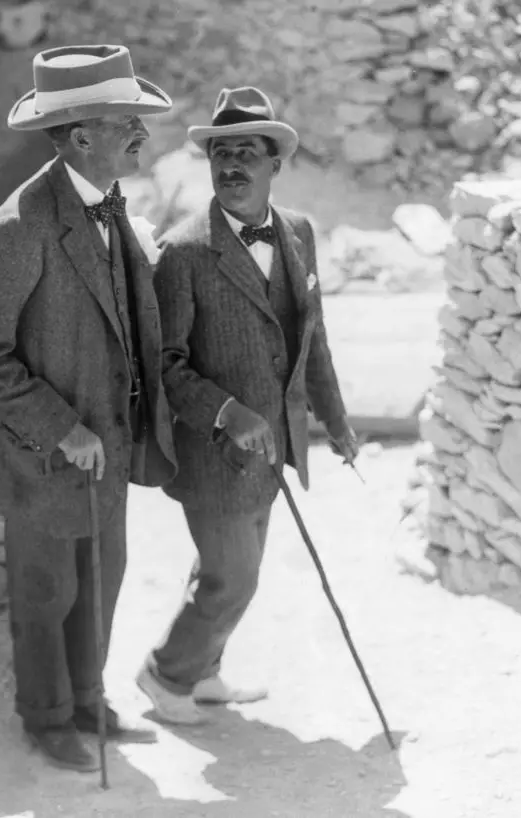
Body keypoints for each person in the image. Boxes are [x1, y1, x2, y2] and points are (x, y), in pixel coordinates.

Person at [0, 44, 178, 772]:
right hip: (45, 455)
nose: (142, 136)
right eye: (128, 124)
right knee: (46, 594)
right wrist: (62, 427)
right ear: (82, 136)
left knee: (102, 582)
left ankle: (87, 699)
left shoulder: (112, 210)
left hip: (106, 452)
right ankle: (46, 719)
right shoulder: (21, 227)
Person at [136, 87, 359, 725]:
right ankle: (165, 674)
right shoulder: (182, 252)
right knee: (234, 580)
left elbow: (310, 334)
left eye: (247, 154)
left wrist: (334, 418)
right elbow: (164, 364)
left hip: (275, 445)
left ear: (274, 164)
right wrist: (228, 411)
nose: (232, 165)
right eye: (221, 153)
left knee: (223, 567)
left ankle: (203, 674)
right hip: (215, 454)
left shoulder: (297, 233)